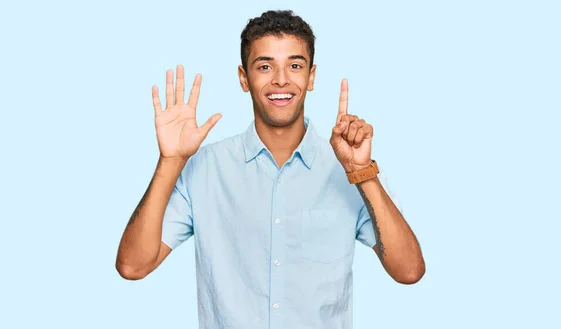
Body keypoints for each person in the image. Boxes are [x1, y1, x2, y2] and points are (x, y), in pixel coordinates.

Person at [116, 9, 425, 329]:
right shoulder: (204, 169)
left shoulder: (351, 168)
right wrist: (171, 162)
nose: (281, 79)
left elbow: (409, 271)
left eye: (294, 65)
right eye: (265, 66)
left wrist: (363, 173)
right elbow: (133, 266)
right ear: (243, 77)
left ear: (312, 76)